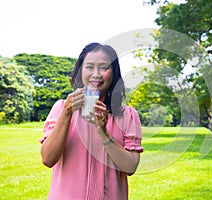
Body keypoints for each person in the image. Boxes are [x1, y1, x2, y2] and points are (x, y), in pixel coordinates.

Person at [40, 42, 143, 199]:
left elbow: (130, 167)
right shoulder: (62, 108)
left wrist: (104, 133)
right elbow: (48, 159)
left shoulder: (127, 115)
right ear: (81, 71)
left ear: (113, 73)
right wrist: (67, 113)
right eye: (89, 67)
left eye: (104, 67)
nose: (96, 74)